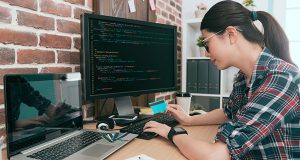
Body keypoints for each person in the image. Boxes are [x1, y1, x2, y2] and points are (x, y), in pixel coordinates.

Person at [143, 0, 300, 159]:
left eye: (206, 44)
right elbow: (228, 113)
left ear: (231, 34)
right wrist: (189, 120)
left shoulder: (280, 78)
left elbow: (215, 156)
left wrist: (171, 133)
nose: (206, 53)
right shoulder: (243, 76)